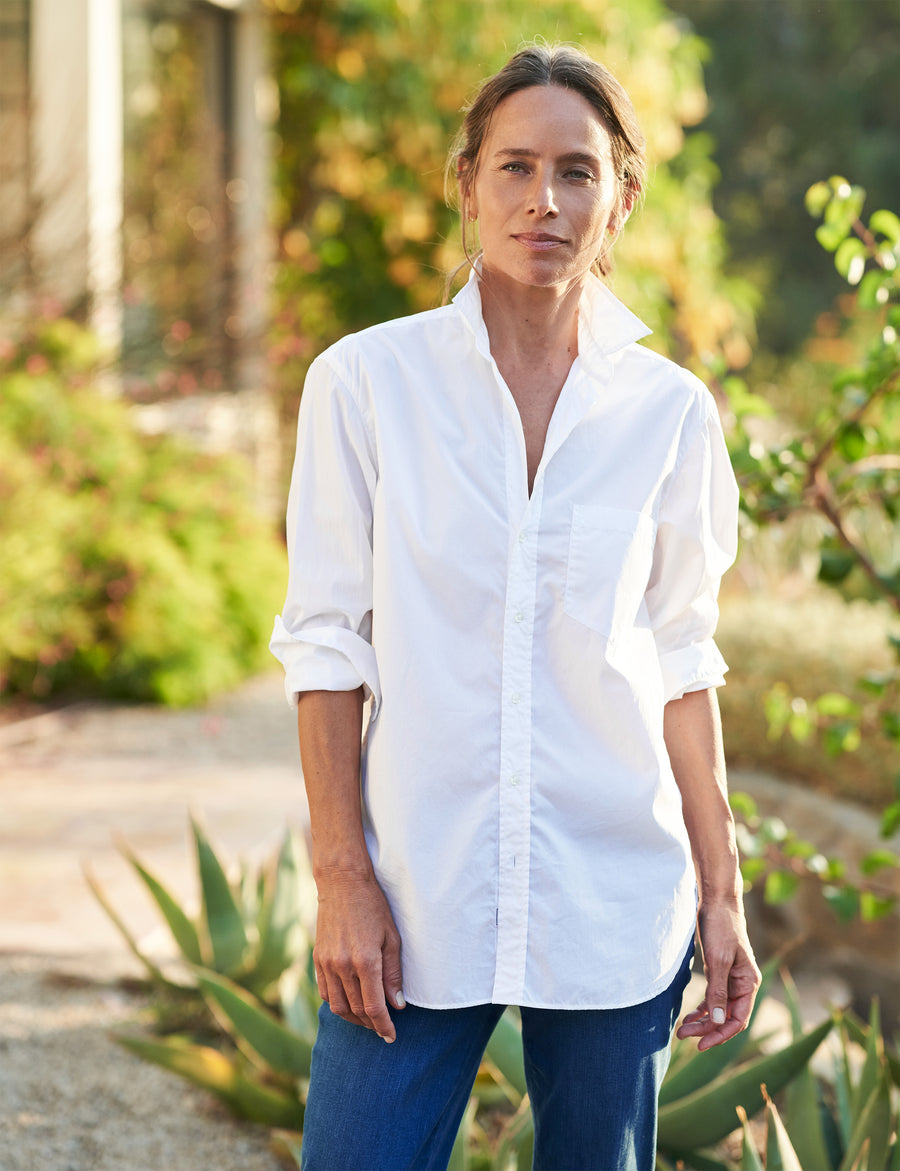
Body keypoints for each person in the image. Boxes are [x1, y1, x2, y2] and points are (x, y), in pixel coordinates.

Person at [270, 41, 761, 1171]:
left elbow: (682, 658)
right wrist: (342, 879)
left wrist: (723, 894)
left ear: (620, 198)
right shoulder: (366, 384)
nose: (544, 200)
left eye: (578, 172)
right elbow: (327, 645)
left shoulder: (671, 413)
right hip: (413, 894)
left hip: (613, 894)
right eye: (516, 166)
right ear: (469, 183)